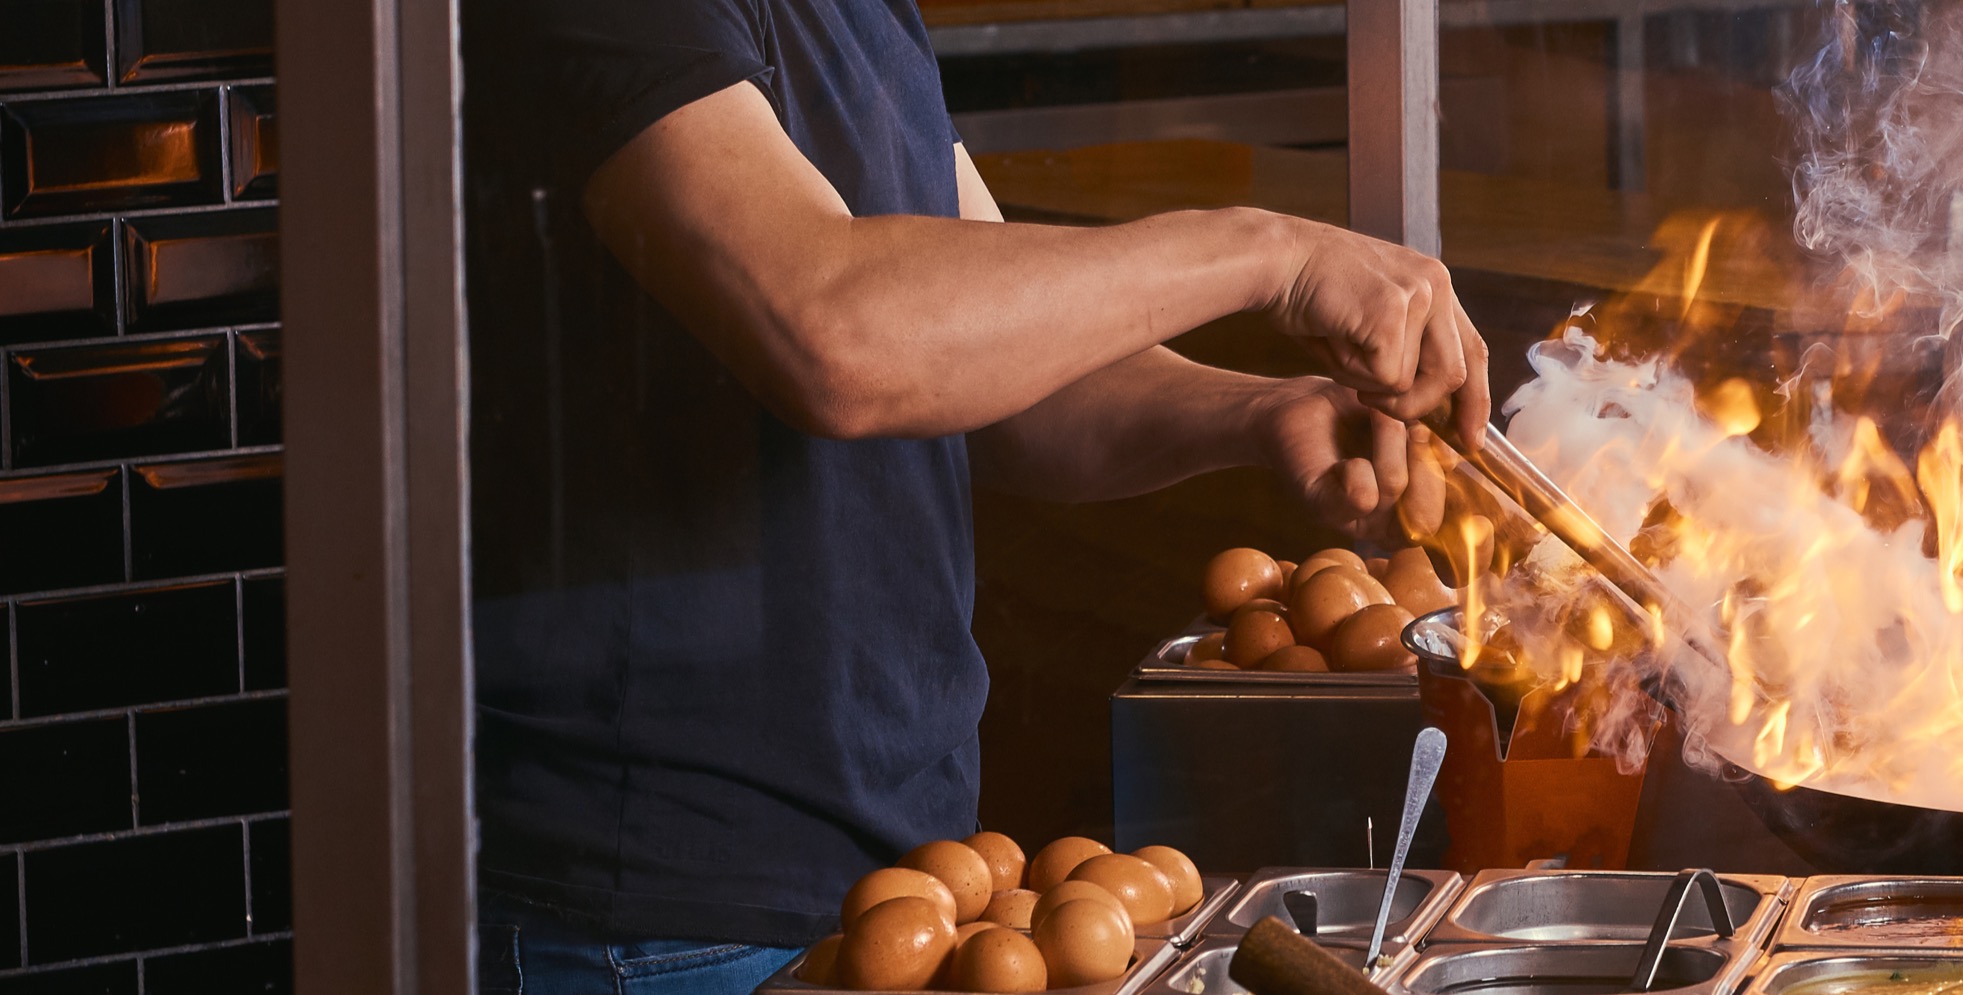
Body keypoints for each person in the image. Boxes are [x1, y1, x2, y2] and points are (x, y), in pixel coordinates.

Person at [458, 0, 1488, 989]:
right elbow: (835, 331)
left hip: (899, 868)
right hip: (657, 911)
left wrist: (1256, 414)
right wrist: (1272, 252)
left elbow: (998, 379)